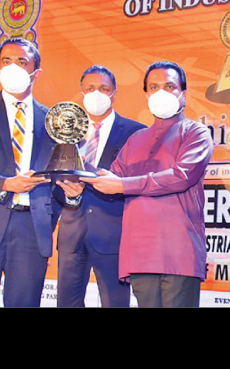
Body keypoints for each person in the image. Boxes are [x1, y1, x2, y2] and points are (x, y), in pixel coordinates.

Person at [0, 38, 83, 307]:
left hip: (31, 230)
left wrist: (71, 195)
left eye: (22, 62)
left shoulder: (54, 120)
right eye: (6, 61)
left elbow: (57, 178)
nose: (13, 67)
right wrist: (6, 184)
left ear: (36, 72)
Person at [81, 61, 213, 307]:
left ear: (183, 95)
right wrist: (75, 162)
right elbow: (108, 179)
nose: (161, 92)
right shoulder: (136, 139)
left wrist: (123, 185)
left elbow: (181, 176)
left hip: (178, 250)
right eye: (154, 86)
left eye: (169, 86)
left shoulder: (196, 133)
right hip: (139, 252)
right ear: (146, 94)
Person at [55, 65, 146, 307]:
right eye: (91, 88)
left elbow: (139, 185)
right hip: (72, 233)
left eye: (104, 89)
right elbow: (54, 182)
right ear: (81, 92)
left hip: (114, 235)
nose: (97, 93)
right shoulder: (64, 131)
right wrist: (69, 196)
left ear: (114, 94)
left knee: (115, 303)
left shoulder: (135, 133)